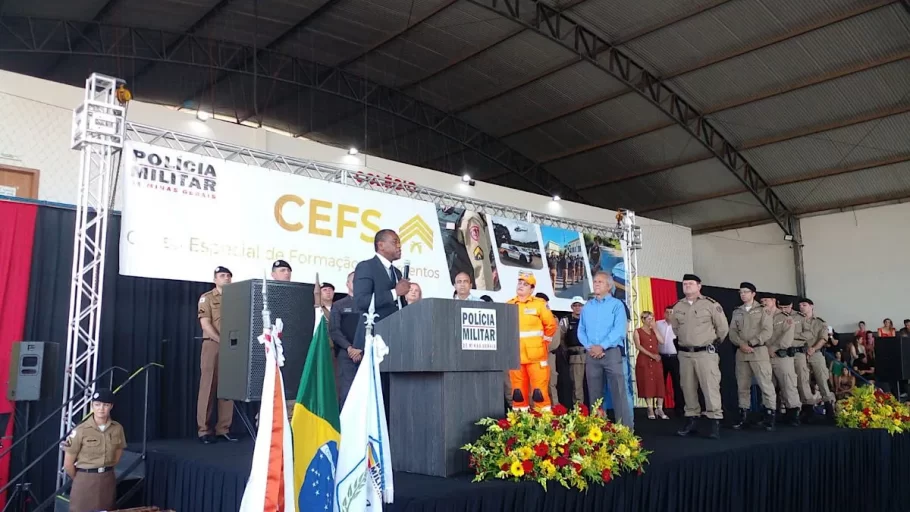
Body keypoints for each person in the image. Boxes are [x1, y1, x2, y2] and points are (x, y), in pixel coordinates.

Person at [671, 274, 729, 440]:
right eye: (685, 284)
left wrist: (711, 343)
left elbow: (723, 328)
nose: (687, 286)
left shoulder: (710, 304)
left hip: (705, 353)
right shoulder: (678, 306)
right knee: (687, 388)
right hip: (685, 354)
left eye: (691, 284)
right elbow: (675, 328)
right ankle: (691, 419)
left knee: (710, 388)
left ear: (699, 286)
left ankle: (714, 421)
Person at [579, 271, 633, 429]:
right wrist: (590, 347)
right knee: (595, 395)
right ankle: (597, 430)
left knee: (618, 393)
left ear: (609, 286)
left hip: (611, 352)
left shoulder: (617, 305)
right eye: (595, 281)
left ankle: (625, 431)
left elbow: (619, 330)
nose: (596, 284)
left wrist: (602, 346)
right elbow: (581, 330)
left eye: (600, 282)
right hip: (591, 355)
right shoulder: (587, 306)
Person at [63, 389, 126, 512]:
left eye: (105, 405)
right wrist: (81, 477)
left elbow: (118, 453)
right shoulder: (80, 430)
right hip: (85, 479)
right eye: (97, 404)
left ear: (111, 406)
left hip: (107, 479)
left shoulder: (117, 428)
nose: (101, 409)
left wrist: (107, 467)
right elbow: (68, 464)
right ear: (92, 405)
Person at [196, 266, 237, 444]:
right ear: (215, 279)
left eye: (229, 276)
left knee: (228, 388)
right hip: (213, 345)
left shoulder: (236, 298)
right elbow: (205, 324)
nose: (226, 278)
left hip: (232, 347)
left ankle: (223, 429)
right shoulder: (207, 298)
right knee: (208, 387)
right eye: (222, 276)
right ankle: (204, 430)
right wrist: (221, 340)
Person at [506, 272, 557, 410]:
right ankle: (521, 426)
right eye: (520, 283)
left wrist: (543, 344)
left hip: (536, 357)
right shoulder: (509, 305)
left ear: (532, 289)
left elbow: (551, 325)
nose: (521, 286)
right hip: (515, 357)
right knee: (518, 394)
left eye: (525, 284)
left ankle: (543, 426)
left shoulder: (540, 305)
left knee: (539, 393)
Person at [729, 282, 775, 431]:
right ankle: (744, 415)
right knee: (742, 386)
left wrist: (751, 342)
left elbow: (767, 331)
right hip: (742, 353)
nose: (743, 294)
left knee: (765, 384)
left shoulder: (763, 310)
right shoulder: (737, 311)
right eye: (741, 292)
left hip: (758, 352)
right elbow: (732, 332)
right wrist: (741, 344)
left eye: (746, 292)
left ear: (753, 294)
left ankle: (770, 416)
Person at [353, 229, 409, 349]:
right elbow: (361, 301)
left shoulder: (397, 273)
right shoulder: (366, 267)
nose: (399, 247)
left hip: (395, 336)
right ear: (381, 245)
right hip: (373, 335)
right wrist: (395, 293)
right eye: (395, 242)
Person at [762, 295, 801, 426]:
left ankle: (793, 414)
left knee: (788, 384)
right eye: (762, 301)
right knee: (767, 385)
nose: (764, 303)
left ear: (774, 301)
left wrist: (773, 347)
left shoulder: (785, 317)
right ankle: (770, 414)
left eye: (766, 300)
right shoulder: (762, 316)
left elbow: (787, 338)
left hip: (781, 356)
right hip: (765, 357)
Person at [797, 298, 835, 422]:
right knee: (803, 382)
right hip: (801, 354)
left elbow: (823, 338)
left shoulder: (820, 322)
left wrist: (813, 348)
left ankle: (829, 408)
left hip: (816, 353)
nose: (802, 307)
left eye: (804, 305)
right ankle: (807, 409)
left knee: (822, 380)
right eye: (800, 305)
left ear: (811, 306)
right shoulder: (797, 321)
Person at [329, 272, 360, 408]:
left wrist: (361, 348)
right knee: (346, 394)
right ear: (348, 284)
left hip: (366, 354)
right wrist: (349, 348)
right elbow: (334, 330)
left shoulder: (370, 305)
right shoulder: (339, 305)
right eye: (354, 281)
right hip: (346, 355)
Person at [634, 311, 667, 420]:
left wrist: (655, 329)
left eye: (652, 319)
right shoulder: (637, 331)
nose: (650, 321)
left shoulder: (654, 331)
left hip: (656, 360)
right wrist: (651, 355)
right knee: (647, 382)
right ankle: (650, 408)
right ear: (643, 320)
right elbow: (638, 346)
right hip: (645, 359)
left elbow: (662, 341)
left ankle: (660, 408)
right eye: (648, 319)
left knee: (659, 382)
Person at [656, 307, 683, 415]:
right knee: (660, 382)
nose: (668, 314)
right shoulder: (658, 324)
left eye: (671, 312)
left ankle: (679, 407)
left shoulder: (679, 325)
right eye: (666, 312)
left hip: (675, 357)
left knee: (677, 382)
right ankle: (659, 407)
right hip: (661, 357)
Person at [535, 292, 561, 406]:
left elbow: (554, 342)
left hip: (547, 355)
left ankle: (555, 413)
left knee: (550, 385)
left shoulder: (552, 319)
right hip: (532, 357)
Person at [561, 296, 586, 404]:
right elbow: (561, 338)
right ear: (572, 307)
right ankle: (580, 412)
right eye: (575, 305)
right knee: (577, 385)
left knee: (593, 385)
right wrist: (566, 351)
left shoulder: (589, 319)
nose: (577, 308)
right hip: (575, 356)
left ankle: (596, 413)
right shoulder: (566, 320)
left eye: (580, 305)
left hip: (590, 355)